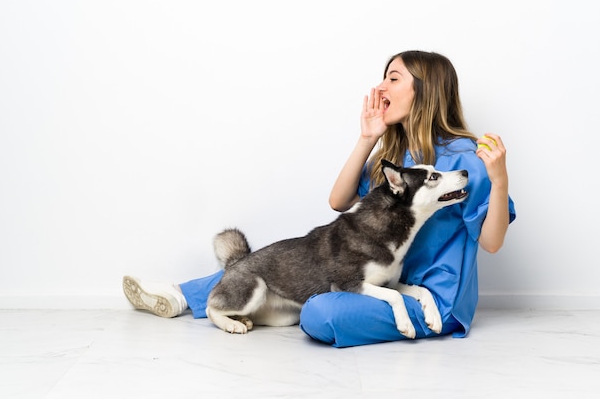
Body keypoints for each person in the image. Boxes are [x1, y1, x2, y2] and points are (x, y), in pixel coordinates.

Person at [122, 50, 516, 348]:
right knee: (280, 259)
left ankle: (264, 306)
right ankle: (180, 296)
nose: (380, 88)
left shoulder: (465, 160)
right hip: (380, 282)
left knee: (320, 311)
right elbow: (339, 201)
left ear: (424, 89)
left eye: (393, 79)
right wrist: (367, 139)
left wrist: (499, 181)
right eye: (383, 78)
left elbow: (492, 242)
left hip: (430, 302)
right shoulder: (398, 162)